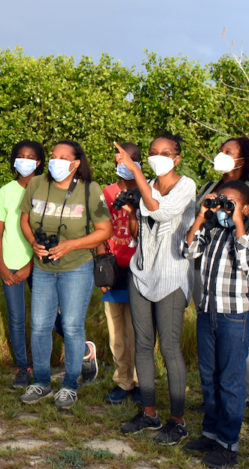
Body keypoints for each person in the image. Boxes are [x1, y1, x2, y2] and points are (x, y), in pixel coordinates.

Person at [17, 140, 113, 410]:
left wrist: (70, 244)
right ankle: (42, 382)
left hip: (76, 267)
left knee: (71, 326)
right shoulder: (36, 184)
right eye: (53, 156)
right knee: (39, 325)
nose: (55, 161)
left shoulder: (90, 190)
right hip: (44, 267)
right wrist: (33, 242)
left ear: (75, 163)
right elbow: (24, 219)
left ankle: (70, 385)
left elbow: (104, 230)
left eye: (63, 157)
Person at [117, 134, 196, 445]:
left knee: (171, 348)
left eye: (165, 153)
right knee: (143, 345)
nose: (157, 157)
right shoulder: (146, 182)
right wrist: (129, 211)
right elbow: (142, 228)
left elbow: (160, 211)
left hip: (171, 275)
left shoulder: (185, 186)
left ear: (176, 159)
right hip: (141, 271)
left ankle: (178, 420)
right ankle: (149, 412)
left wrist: (134, 173)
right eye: (153, 152)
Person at [183, 181, 249, 469]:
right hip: (208, 312)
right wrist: (202, 215)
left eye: (231, 204)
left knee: (230, 380)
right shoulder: (211, 230)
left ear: (246, 208)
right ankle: (211, 432)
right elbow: (188, 251)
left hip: (235, 317)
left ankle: (228, 443)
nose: (224, 209)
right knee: (209, 376)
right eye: (221, 202)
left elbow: (246, 261)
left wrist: (238, 221)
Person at [194, 137, 249, 429]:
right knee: (215, 354)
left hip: (237, 276)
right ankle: (216, 407)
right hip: (208, 270)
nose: (221, 156)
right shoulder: (209, 189)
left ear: (244, 159)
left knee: (237, 350)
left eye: (229, 152)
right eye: (221, 151)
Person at [0, 140, 44, 388]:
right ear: (14, 161)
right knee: (16, 317)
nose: (25, 161)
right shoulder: (5, 191)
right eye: (20, 156)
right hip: (10, 263)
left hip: (40, 262)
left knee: (44, 316)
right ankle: (23, 367)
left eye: (30, 157)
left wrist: (30, 266)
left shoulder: (47, 191)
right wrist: (1, 265)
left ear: (39, 162)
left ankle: (75, 350)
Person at [100, 142, 142, 404]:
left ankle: (141, 381)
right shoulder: (108, 192)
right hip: (114, 267)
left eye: (127, 160)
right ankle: (123, 380)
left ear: (137, 163)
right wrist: (102, 268)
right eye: (117, 161)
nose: (121, 166)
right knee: (116, 329)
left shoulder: (147, 191)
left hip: (140, 268)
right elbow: (100, 230)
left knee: (137, 330)